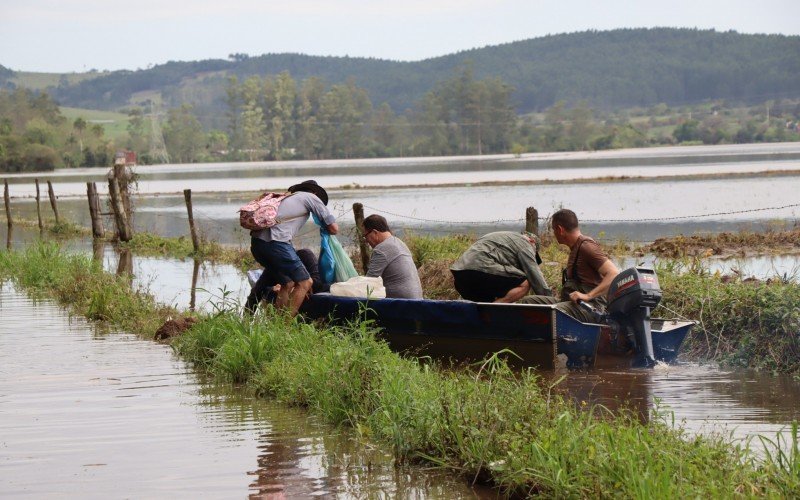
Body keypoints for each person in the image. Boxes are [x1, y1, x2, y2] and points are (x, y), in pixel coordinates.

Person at [248, 180, 338, 316]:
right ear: (315, 192)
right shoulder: (312, 197)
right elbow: (333, 228)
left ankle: (276, 325)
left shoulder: (287, 198)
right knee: (305, 281)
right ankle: (285, 327)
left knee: (287, 283)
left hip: (257, 244)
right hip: (276, 244)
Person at [518, 208, 620, 322]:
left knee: (553, 312)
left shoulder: (586, 247)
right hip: (570, 304)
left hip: (591, 307)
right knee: (528, 303)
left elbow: (614, 274)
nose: (553, 234)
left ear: (560, 229)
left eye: (553, 230)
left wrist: (588, 296)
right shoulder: (575, 248)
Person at [450, 231, 551, 303]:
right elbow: (534, 275)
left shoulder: (501, 236)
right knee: (525, 283)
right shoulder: (525, 243)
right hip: (481, 270)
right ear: (532, 242)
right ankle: (495, 309)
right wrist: (550, 302)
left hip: (460, 274)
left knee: (485, 304)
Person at [245, 248, 329, 313]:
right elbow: (256, 293)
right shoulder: (272, 267)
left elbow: (318, 282)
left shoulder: (305, 255)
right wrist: (245, 323)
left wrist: (296, 288)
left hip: (322, 291)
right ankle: (282, 326)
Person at [363, 214, 423, 299]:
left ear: (375, 232)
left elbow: (369, 282)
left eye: (365, 236)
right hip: (418, 300)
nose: (366, 241)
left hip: (401, 304)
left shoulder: (381, 249)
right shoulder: (400, 243)